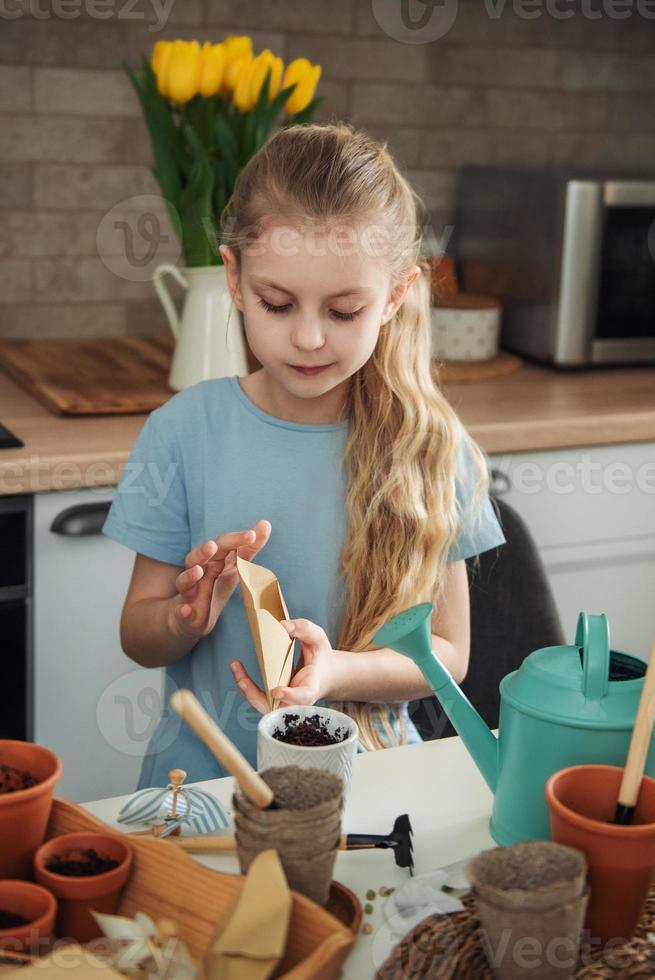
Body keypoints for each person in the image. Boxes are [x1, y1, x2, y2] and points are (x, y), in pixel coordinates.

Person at [102, 122, 505, 789]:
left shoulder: (430, 447)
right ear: (234, 280)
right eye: (277, 303)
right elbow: (138, 638)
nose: (309, 336)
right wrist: (183, 617)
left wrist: (339, 670)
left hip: (371, 785)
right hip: (205, 784)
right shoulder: (182, 432)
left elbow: (448, 654)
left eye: (344, 310)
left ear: (394, 298)